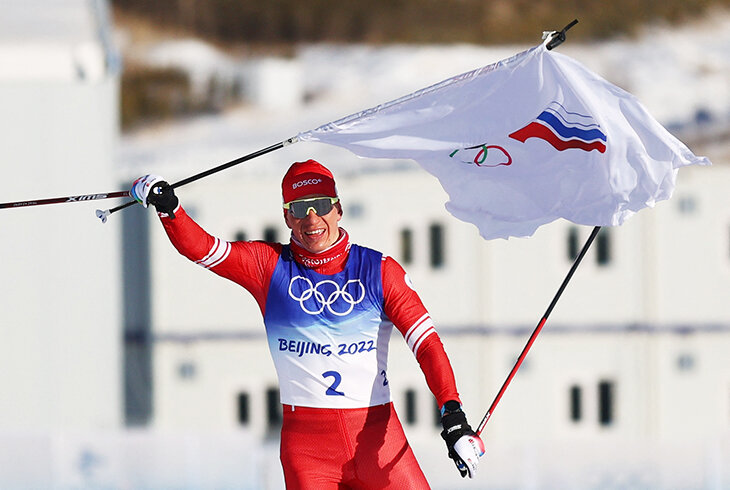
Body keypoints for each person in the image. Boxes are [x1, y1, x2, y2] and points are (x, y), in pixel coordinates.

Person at [131, 159, 485, 489]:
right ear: (286, 216)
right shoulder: (268, 266)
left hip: (378, 436)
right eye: (299, 208)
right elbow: (204, 250)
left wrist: (452, 412)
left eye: (321, 204)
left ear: (339, 208)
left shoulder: (379, 270)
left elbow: (426, 343)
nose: (312, 218)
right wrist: (170, 209)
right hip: (310, 450)